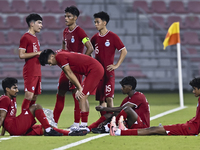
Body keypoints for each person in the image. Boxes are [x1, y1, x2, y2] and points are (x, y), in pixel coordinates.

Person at [110, 77, 200, 136]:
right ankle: (120, 131)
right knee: (156, 130)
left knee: (153, 130)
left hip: (190, 128)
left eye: (194, 89)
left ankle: (119, 132)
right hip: (190, 126)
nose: (193, 91)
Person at [38, 49, 104, 130]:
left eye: (49, 62)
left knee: (81, 96)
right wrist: (79, 88)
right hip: (92, 70)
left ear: (52, 56)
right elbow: (68, 75)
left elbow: (69, 72)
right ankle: (84, 124)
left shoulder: (59, 57)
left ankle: (83, 126)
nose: (50, 64)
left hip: (94, 70)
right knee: (81, 96)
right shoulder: (58, 56)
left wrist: (79, 88)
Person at [0, 77, 87, 136]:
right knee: (36, 107)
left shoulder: (11, 98)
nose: (17, 90)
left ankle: (69, 133)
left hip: (14, 128)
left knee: (44, 127)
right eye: (14, 88)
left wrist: (3, 134)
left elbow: (5, 119)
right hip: (14, 127)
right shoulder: (5, 99)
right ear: (7, 89)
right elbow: (1, 117)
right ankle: (49, 130)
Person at [54, 6, 94, 128]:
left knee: (76, 95)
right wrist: (60, 52)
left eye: (69, 16)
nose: (66, 18)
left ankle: (77, 124)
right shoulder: (65, 31)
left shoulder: (80, 32)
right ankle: (54, 123)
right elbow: (63, 46)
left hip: (75, 69)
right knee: (60, 92)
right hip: (65, 68)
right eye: (65, 16)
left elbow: (90, 47)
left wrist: (81, 62)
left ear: (75, 18)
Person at [91, 11, 127, 116]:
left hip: (109, 72)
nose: (96, 24)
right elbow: (89, 50)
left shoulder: (112, 36)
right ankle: (104, 122)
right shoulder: (95, 38)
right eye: (95, 22)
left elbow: (124, 51)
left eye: (97, 22)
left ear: (104, 23)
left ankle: (112, 121)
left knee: (109, 98)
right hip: (99, 74)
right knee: (101, 100)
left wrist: (116, 65)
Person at [19, 14, 42, 112]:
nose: (41, 25)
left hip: (37, 70)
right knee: (29, 95)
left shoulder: (35, 38)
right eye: (39, 23)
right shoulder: (25, 37)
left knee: (34, 96)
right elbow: (21, 55)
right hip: (30, 71)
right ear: (32, 23)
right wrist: (37, 53)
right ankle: (22, 119)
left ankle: (29, 120)